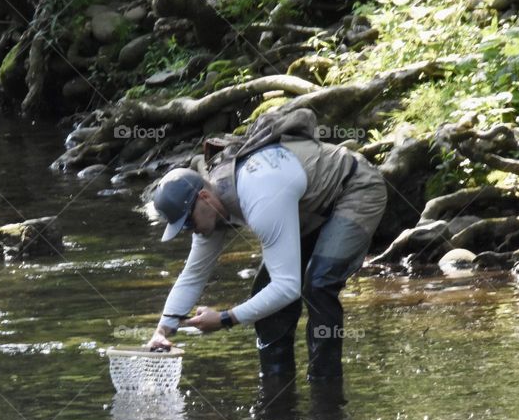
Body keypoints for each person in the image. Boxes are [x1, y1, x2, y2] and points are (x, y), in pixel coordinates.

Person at [146, 108, 387, 382]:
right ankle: (276, 387)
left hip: (354, 188)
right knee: (264, 292)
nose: (190, 231)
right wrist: (162, 331)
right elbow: (193, 275)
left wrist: (226, 319)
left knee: (318, 284)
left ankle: (325, 389)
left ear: (204, 197)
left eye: (187, 223)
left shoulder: (258, 195)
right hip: (305, 206)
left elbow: (287, 287)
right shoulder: (210, 206)